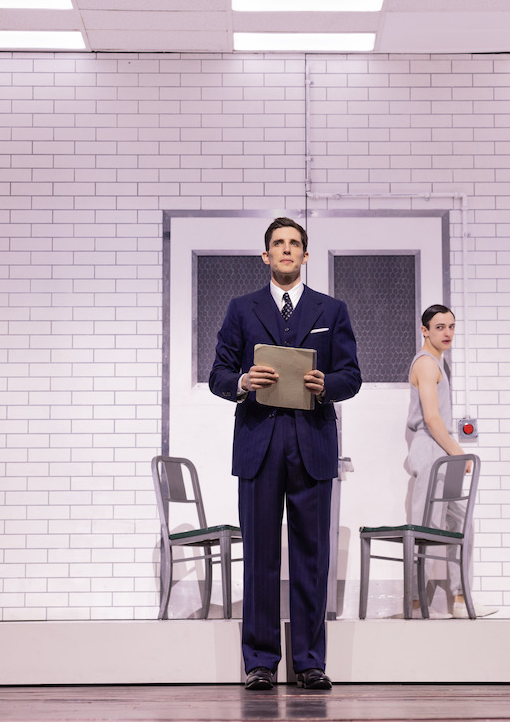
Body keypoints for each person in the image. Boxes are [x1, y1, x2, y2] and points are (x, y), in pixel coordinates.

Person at [209, 217, 362, 690]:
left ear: (306, 255)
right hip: (259, 443)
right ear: (266, 255)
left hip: (312, 444)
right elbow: (218, 373)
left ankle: (309, 663)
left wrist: (325, 385)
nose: (287, 250)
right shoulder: (241, 309)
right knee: (259, 557)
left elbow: (351, 375)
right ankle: (259, 663)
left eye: (295, 244)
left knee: (312, 557)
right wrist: (242, 382)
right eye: (278, 244)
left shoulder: (331, 310)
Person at [405, 304, 497, 619]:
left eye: (451, 326)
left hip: (439, 451)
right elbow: (431, 418)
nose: (447, 333)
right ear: (425, 330)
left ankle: (460, 599)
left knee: (460, 524)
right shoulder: (427, 365)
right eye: (440, 327)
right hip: (431, 451)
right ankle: (416, 603)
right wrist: (458, 452)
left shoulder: (438, 365)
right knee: (427, 528)